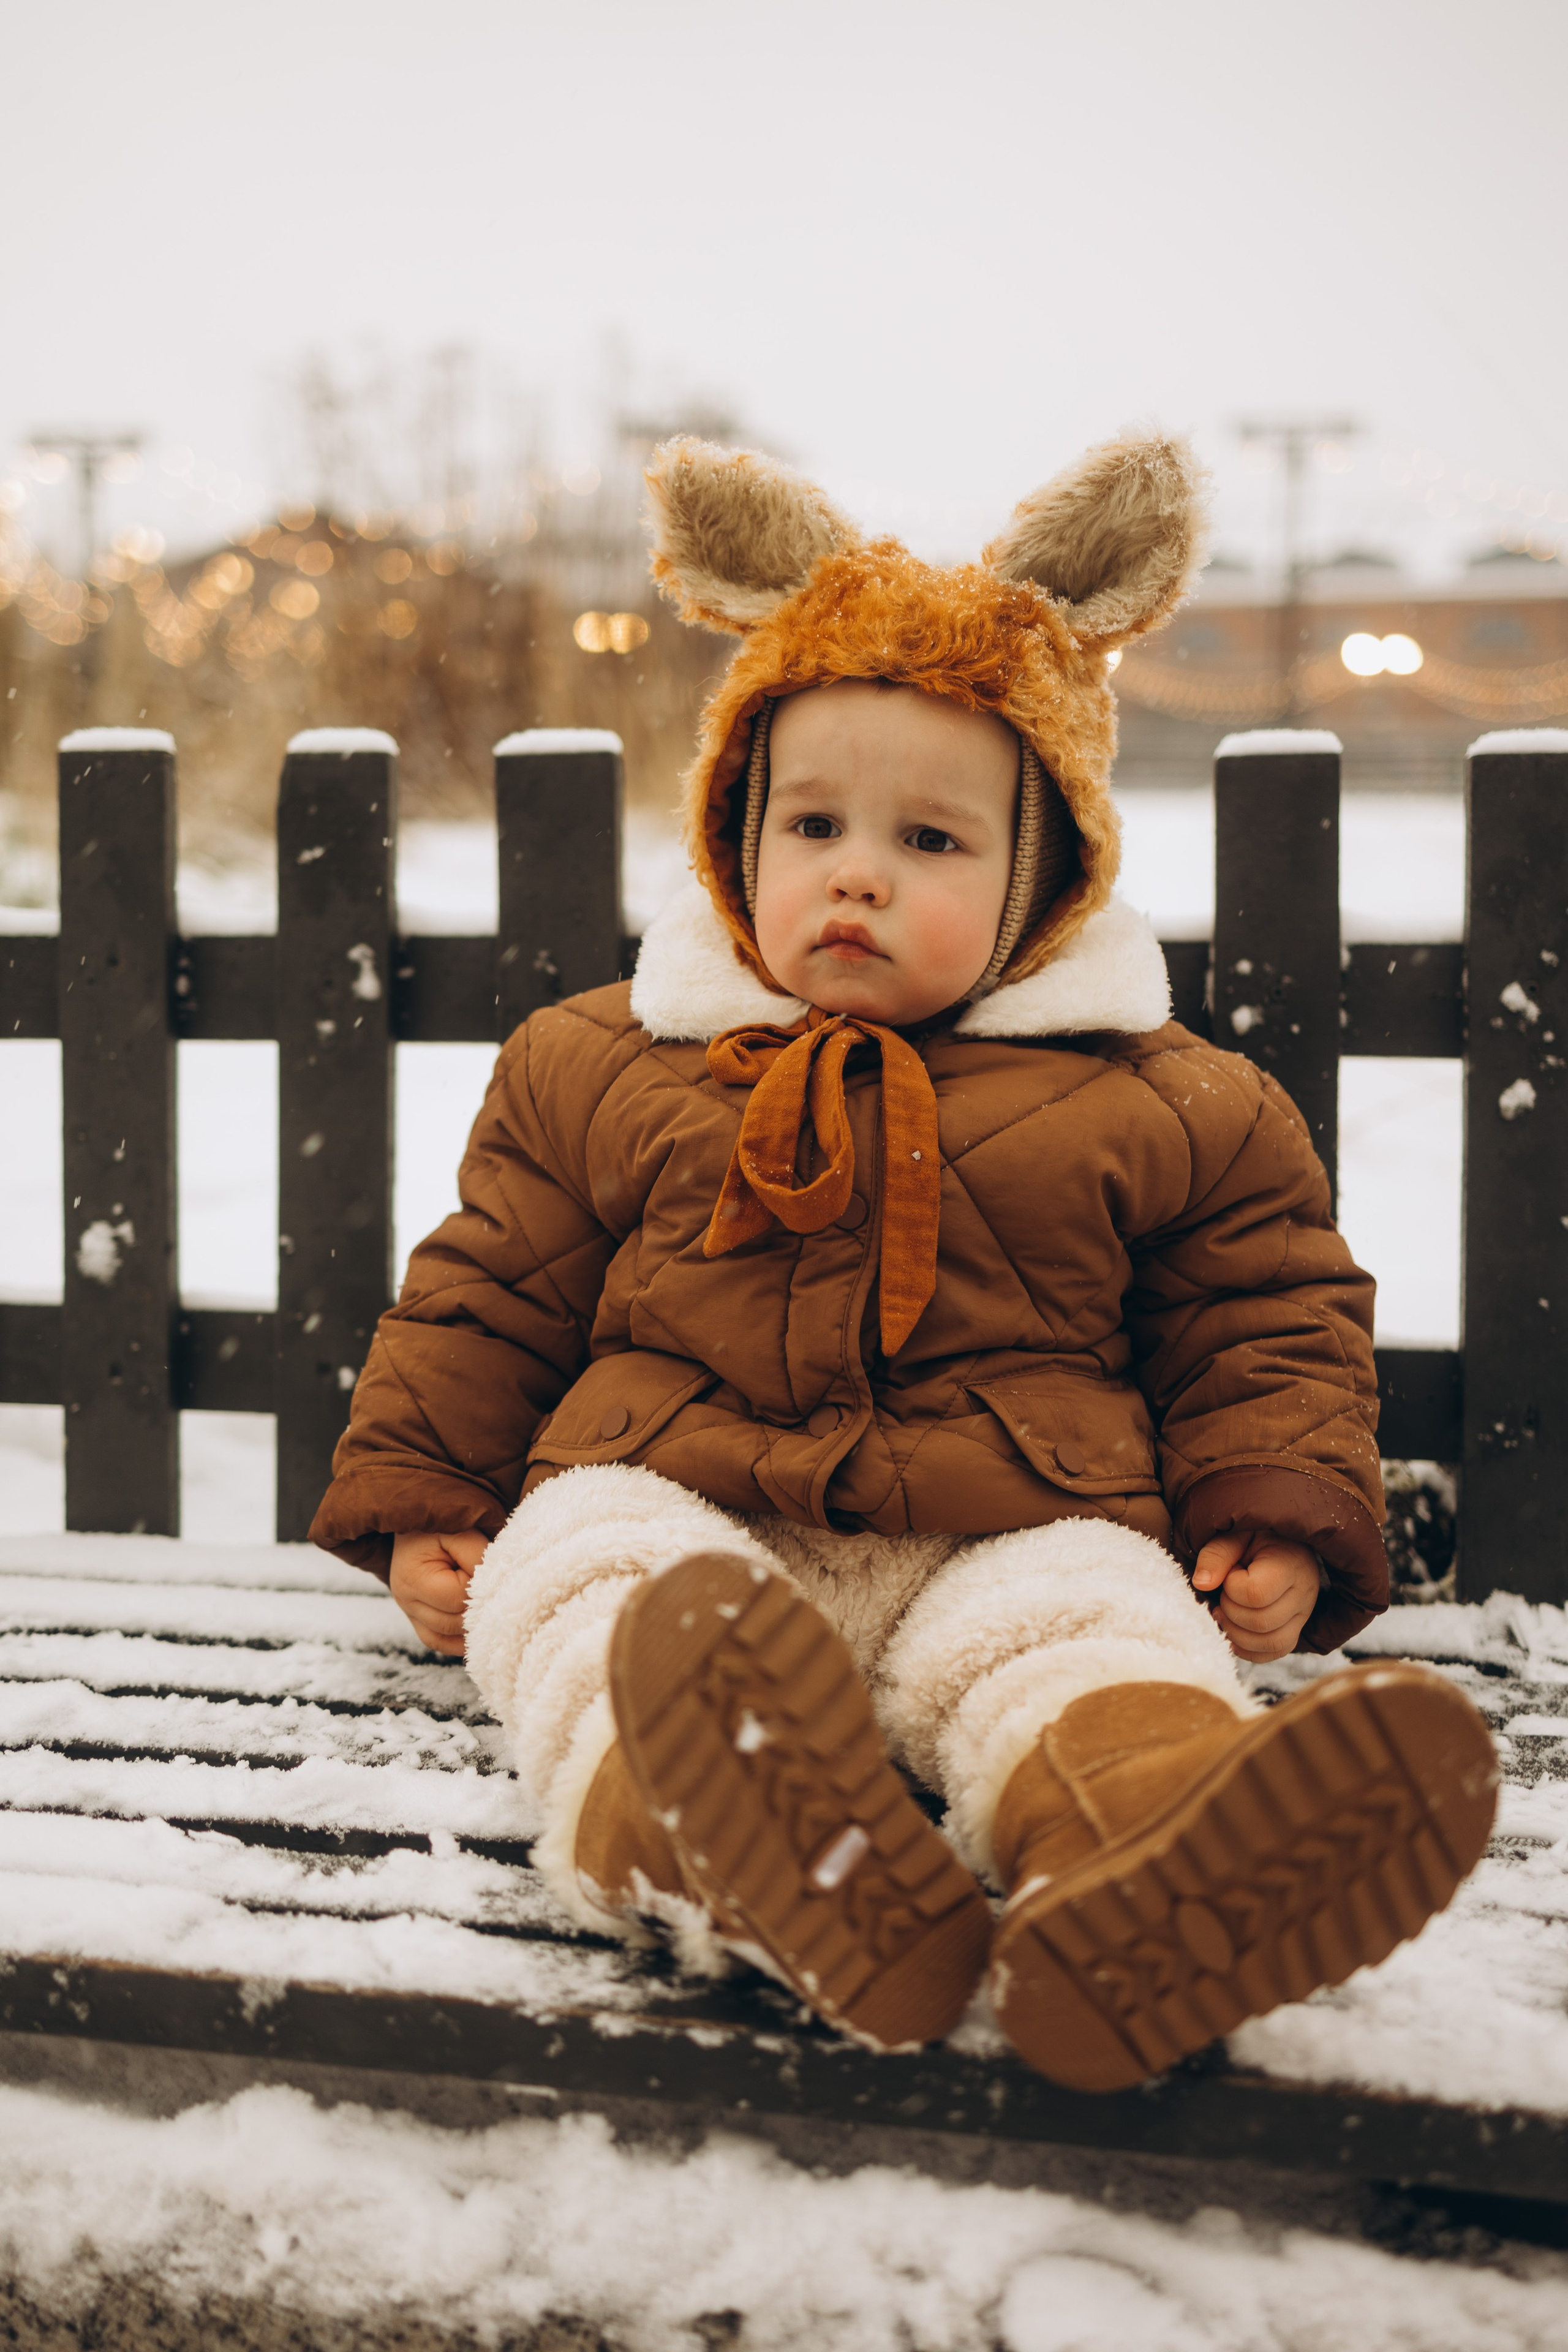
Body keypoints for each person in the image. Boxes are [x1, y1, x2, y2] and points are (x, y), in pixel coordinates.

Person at [311, 431, 1496, 2089]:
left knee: (1093, 1618)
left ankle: (1149, 1846)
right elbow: (492, 1286)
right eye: (813, 823)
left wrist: (1261, 1512)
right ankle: (691, 1826)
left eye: (933, 842)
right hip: (692, 1507)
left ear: (1047, 876)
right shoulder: (608, 1058)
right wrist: (431, 1502)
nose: (858, 869)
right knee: (577, 1569)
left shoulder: (1171, 1102)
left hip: (998, 1525)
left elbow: (1265, 1325)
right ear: (740, 836)